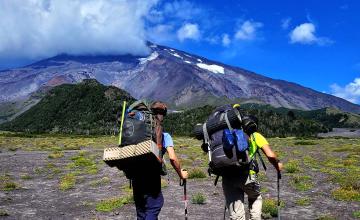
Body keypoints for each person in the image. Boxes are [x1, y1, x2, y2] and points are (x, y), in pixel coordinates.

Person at [222, 111, 283, 220]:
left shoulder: (230, 135)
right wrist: (277, 164)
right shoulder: (255, 136)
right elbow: (270, 155)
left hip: (228, 177)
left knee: (236, 214)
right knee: (255, 197)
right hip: (248, 176)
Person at [131, 131, 188, 220]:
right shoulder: (164, 136)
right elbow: (172, 158)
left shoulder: (135, 134)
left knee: (141, 211)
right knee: (154, 206)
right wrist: (181, 174)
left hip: (135, 176)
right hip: (152, 177)